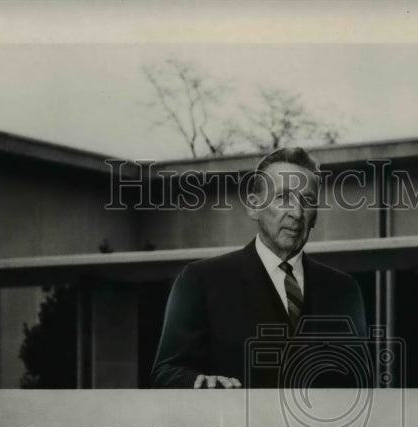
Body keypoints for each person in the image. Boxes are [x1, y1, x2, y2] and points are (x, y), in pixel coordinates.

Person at [151, 147, 368, 388]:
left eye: (307, 201)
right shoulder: (201, 280)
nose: (296, 213)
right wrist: (200, 383)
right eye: (283, 198)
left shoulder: (343, 290)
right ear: (253, 206)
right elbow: (165, 373)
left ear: (315, 215)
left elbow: (361, 384)